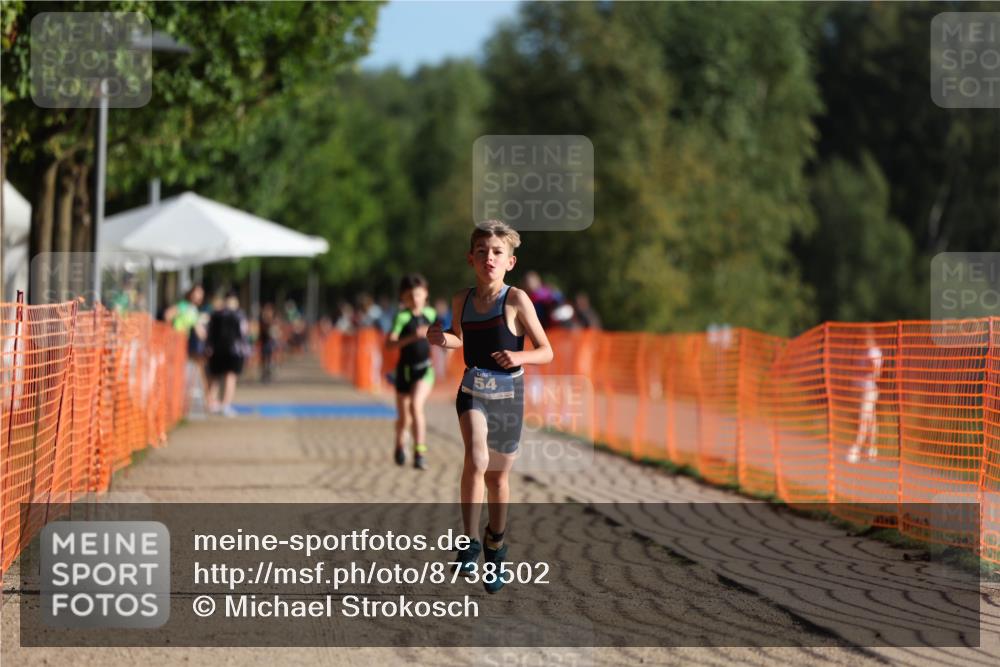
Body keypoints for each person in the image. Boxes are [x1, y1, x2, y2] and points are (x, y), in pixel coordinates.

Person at [427, 220, 553, 594]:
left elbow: (547, 351)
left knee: (498, 477)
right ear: (471, 258)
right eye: (482, 252)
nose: (489, 258)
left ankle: (496, 547)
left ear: (510, 262)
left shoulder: (516, 300)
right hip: (473, 389)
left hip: (508, 396)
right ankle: (468, 544)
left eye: (497, 252)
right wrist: (441, 338)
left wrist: (519, 356)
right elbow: (459, 338)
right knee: (476, 460)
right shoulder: (461, 299)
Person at [386, 274, 437, 470]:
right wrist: (412, 337)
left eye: (418, 294)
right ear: (403, 298)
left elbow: (445, 335)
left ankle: (419, 452)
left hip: (424, 369)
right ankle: (400, 444)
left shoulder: (431, 315)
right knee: (404, 418)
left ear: (425, 294)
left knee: (416, 407)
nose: (414, 299)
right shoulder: (402, 317)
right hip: (404, 371)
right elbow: (389, 344)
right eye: (409, 296)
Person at [206, 290, 250, 417]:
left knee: (216, 378)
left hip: (218, 351)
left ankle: (212, 403)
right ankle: (224, 404)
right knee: (229, 378)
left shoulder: (216, 314)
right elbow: (244, 333)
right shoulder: (238, 315)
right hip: (233, 351)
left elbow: (209, 332)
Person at [847, 332, 883, 464]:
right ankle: (872, 449)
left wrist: (870, 367)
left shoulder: (875, 353)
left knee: (864, 418)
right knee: (870, 420)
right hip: (861, 389)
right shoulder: (862, 352)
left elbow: (877, 373)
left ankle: (856, 448)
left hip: (870, 390)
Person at [259, 302, 278, 383]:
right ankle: (265, 373)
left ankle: (268, 373)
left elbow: (275, 332)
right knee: (264, 359)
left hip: (270, 342)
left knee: (269, 358)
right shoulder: (262, 320)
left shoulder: (273, 320)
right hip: (264, 342)